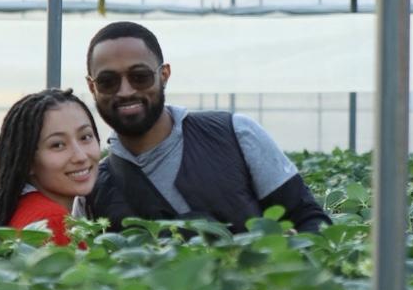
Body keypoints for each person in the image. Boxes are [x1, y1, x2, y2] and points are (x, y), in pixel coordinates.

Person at [84, 21, 329, 234]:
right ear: (92, 87)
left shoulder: (234, 134)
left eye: (140, 76)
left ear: (164, 75)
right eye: (108, 81)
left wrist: (289, 255)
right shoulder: (94, 187)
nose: (125, 91)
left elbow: (309, 219)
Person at [0, 88, 100, 246]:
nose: (81, 156)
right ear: (27, 161)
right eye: (58, 145)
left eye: (85, 137)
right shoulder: (53, 222)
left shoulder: (24, 211)